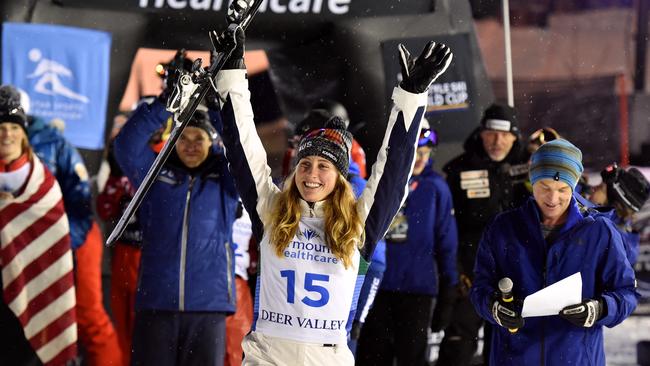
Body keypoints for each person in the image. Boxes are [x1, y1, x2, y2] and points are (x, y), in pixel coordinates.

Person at [213, 23, 453, 365]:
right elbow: (242, 149)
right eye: (305, 164)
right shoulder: (271, 209)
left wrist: (411, 98)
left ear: (340, 177)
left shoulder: (358, 223)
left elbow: (394, 171)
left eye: (323, 166)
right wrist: (232, 75)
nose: (311, 174)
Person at [470, 139, 638, 365]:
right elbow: (481, 286)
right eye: (544, 187)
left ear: (574, 186)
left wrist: (599, 309)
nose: (552, 199)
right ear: (532, 182)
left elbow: (626, 292)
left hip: (576, 359)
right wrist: (494, 307)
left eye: (562, 189)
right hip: (514, 358)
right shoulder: (503, 228)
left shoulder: (599, 231)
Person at [114, 92, 239, 365]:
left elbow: (242, 151)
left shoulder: (227, 178)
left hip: (208, 308)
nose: (191, 146)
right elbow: (125, 146)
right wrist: (163, 104)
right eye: (183, 138)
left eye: (199, 139)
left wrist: (219, 112)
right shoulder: (154, 175)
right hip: (157, 303)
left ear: (212, 141)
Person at [10, 84, 123, 366]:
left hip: (68, 238)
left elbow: (81, 203)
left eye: (12, 120)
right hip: (18, 244)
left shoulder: (53, 142)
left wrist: (58, 244)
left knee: (86, 314)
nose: (7, 130)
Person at [355, 122, 459, 365]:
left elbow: (447, 244)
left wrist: (448, 291)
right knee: (373, 357)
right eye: (416, 151)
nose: (421, 158)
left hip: (417, 292)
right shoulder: (380, 183)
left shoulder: (436, 187)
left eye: (426, 152)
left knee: (411, 359)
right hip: (378, 289)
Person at [437, 103, 530, 365]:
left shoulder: (532, 168)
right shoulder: (459, 170)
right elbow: (447, 228)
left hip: (515, 279)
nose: (497, 141)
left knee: (503, 348)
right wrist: (456, 271)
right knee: (457, 346)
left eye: (504, 135)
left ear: (515, 136)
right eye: (490, 133)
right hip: (472, 276)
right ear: (480, 133)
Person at [0, 90, 77, 365]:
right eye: (0, 128)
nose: (6, 134)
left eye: (13, 127)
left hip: (35, 287)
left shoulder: (43, 184)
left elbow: (56, 232)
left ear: (23, 133)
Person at [585, 163, 650, 265]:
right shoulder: (618, 232)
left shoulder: (610, 239)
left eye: (600, 187)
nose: (593, 188)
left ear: (614, 202)